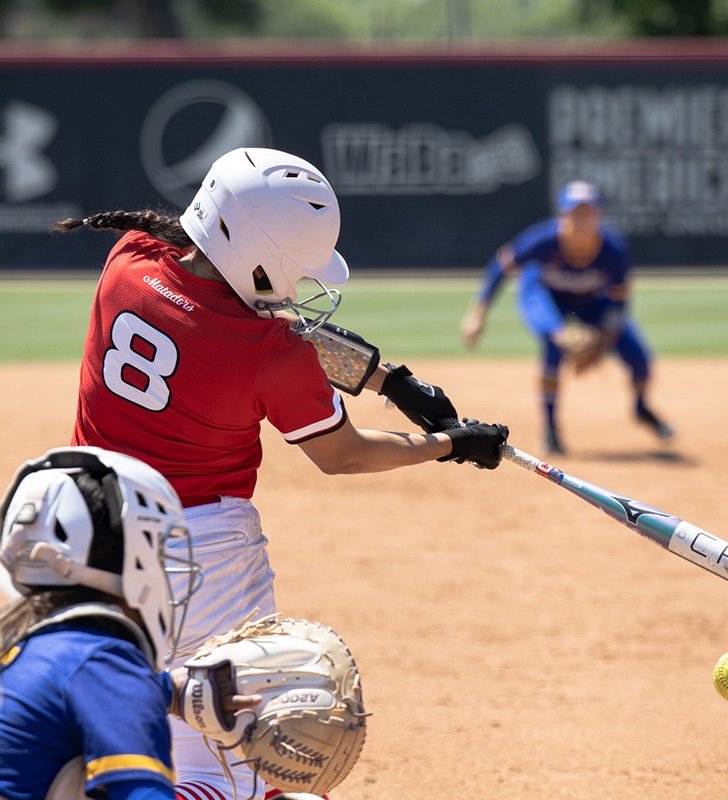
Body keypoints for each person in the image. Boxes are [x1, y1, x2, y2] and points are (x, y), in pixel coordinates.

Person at [52, 146, 509, 800]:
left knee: (128, 718)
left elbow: (249, 314)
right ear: (255, 256)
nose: (299, 284)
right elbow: (343, 453)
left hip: (88, 530)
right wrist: (445, 444)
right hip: (199, 555)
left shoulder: (129, 258)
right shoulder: (272, 354)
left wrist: (389, 379)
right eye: (292, 270)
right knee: (224, 771)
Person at [0, 446, 263, 800]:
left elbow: (63, 691)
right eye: (156, 548)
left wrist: (170, 690)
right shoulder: (103, 661)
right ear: (129, 558)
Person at [460, 179, 672, 456]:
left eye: (588, 213)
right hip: (543, 295)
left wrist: (604, 340)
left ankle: (642, 408)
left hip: (592, 303)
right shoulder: (543, 239)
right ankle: (550, 431)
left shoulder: (614, 249)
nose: (581, 220)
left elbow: (619, 301)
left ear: (599, 217)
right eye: (575, 213)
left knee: (639, 359)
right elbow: (502, 266)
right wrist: (478, 314)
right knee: (555, 341)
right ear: (562, 216)